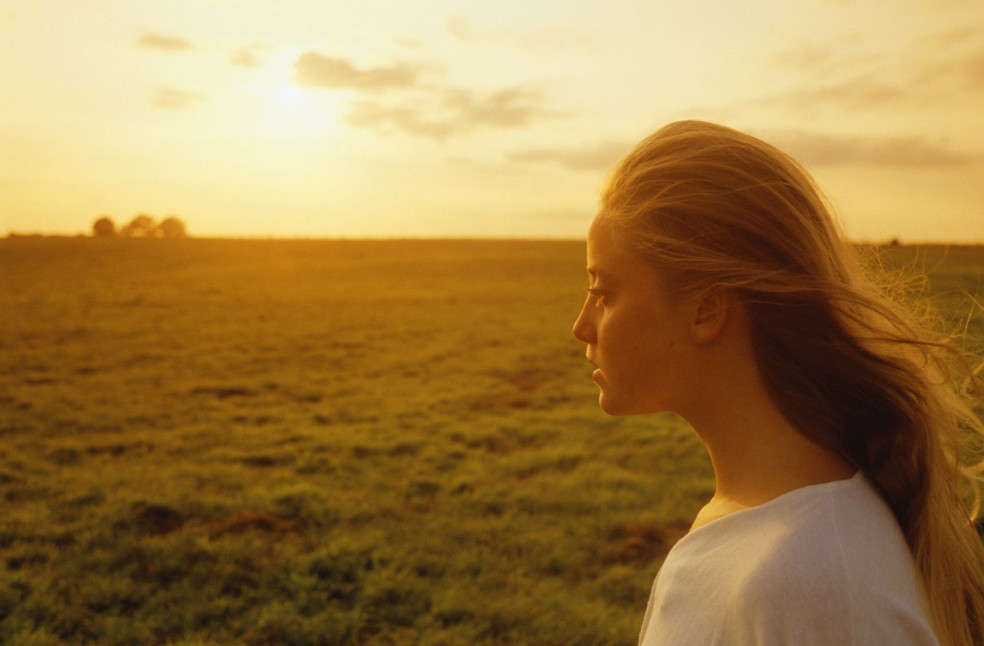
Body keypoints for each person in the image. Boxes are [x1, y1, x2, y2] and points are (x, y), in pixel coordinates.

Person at [572, 120, 984, 646]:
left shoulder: (815, 580)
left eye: (603, 293)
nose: (582, 326)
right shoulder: (763, 526)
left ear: (706, 309)